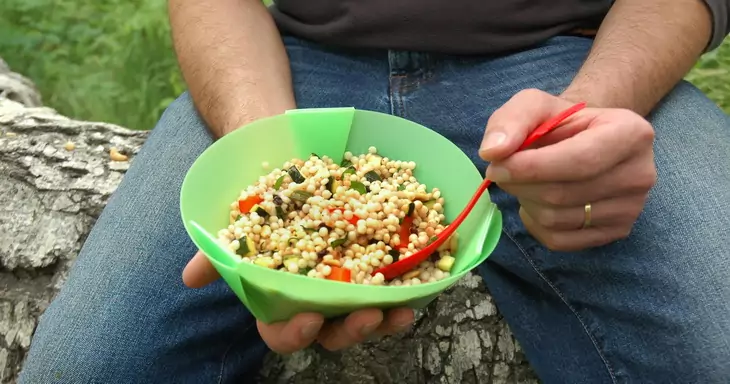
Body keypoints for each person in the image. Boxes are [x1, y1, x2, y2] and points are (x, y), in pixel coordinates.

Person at [19, 0, 730, 382]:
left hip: (572, 63)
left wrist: (589, 115)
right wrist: (277, 168)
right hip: (287, 66)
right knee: (87, 367)